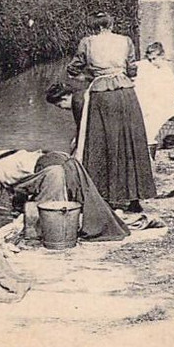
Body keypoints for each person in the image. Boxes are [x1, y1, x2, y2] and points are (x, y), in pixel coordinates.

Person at [67, 12, 157, 212]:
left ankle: (104, 197)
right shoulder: (125, 41)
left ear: (95, 27)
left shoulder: (87, 42)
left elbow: (73, 68)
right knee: (130, 141)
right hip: (125, 93)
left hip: (102, 95)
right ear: (111, 24)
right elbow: (132, 70)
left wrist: (90, 75)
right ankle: (134, 200)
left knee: (100, 142)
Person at [0, 139, 128, 241]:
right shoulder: (16, 156)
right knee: (87, 203)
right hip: (64, 160)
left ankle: (63, 234)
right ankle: (95, 225)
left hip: (52, 169)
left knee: (52, 221)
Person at [133, 41, 174, 154]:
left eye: (155, 59)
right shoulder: (145, 67)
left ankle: (150, 154)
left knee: (153, 129)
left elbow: (171, 90)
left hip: (159, 105)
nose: (153, 62)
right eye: (150, 59)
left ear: (162, 56)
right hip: (146, 103)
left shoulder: (166, 71)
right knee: (146, 129)